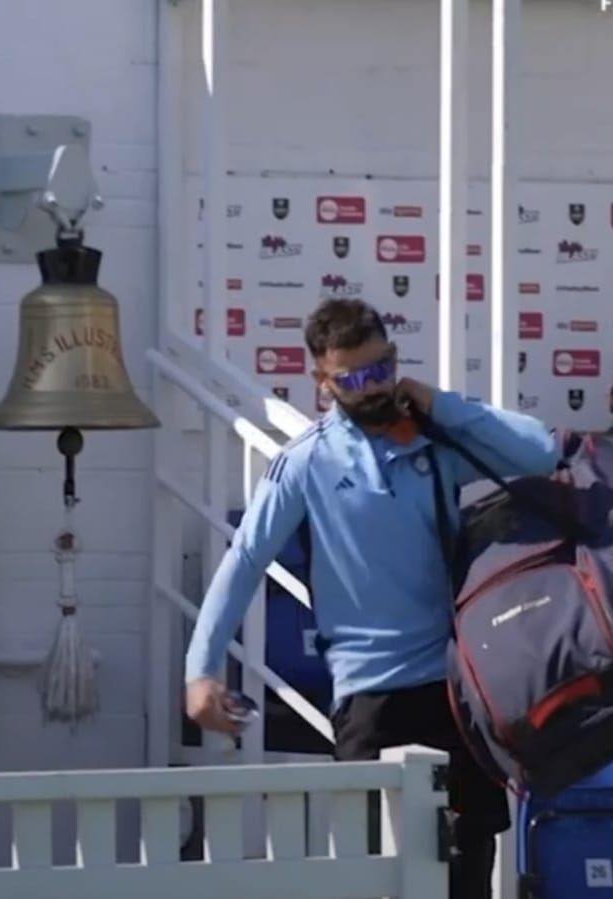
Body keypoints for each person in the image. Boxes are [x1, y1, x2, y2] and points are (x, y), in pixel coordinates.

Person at [183, 297, 559, 898]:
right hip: (368, 699)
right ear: (322, 382)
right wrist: (200, 670)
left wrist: (442, 403)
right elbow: (246, 559)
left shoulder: (433, 445)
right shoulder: (305, 463)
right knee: (381, 873)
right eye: (354, 378)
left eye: (381, 368)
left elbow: (540, 452)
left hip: (455, 688)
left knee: (467, 865)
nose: (372, 386)